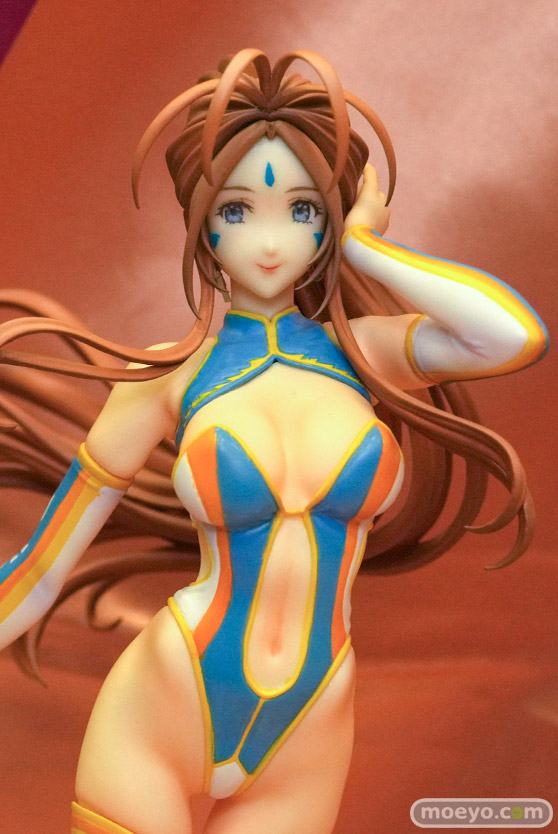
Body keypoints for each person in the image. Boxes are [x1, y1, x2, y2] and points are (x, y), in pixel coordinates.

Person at [0, 48, 548, 834]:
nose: (268, 241)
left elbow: (514, 336)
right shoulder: (168, 376)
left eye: (300, 210)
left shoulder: (366, 354)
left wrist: (368, 247)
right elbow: (44, 567)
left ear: (329, 218)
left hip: (310, 726)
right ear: (199, 218)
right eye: (235, 210)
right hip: (165, 704)